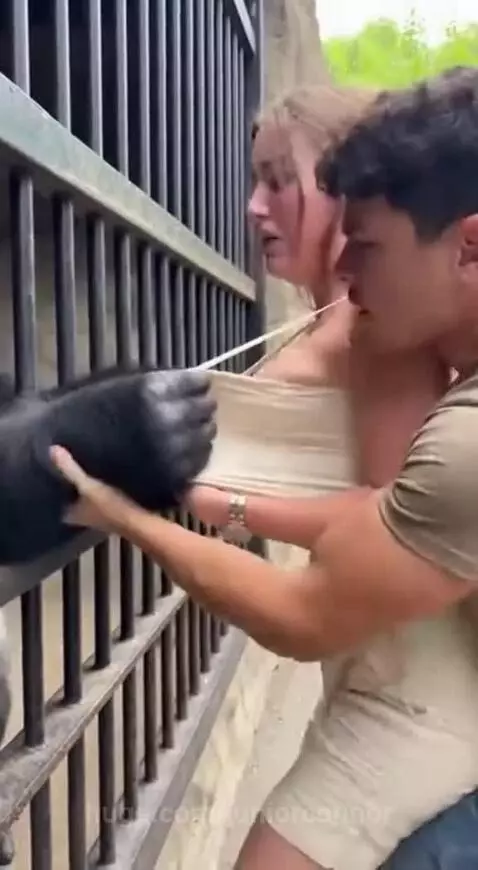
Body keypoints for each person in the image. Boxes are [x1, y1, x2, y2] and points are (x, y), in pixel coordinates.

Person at [50, 69, 478, 870]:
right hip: (374, 680)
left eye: (281, 179)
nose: (252, 205)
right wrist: (217, 502)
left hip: (406, 701)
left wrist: (160, 513)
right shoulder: (357, 324)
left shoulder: (383, 339)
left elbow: (352, 552)